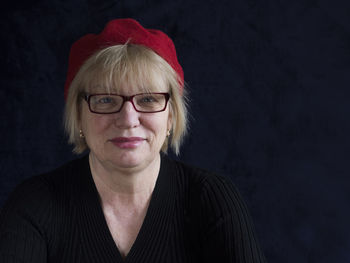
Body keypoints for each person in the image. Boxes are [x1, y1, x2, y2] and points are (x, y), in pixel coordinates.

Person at [0, 18, 266, 262]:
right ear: (79, 116)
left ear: (171, 117)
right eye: (105, 100)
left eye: (148, 99)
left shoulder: (212, 198)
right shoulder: (35, 203)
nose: (128, 119)